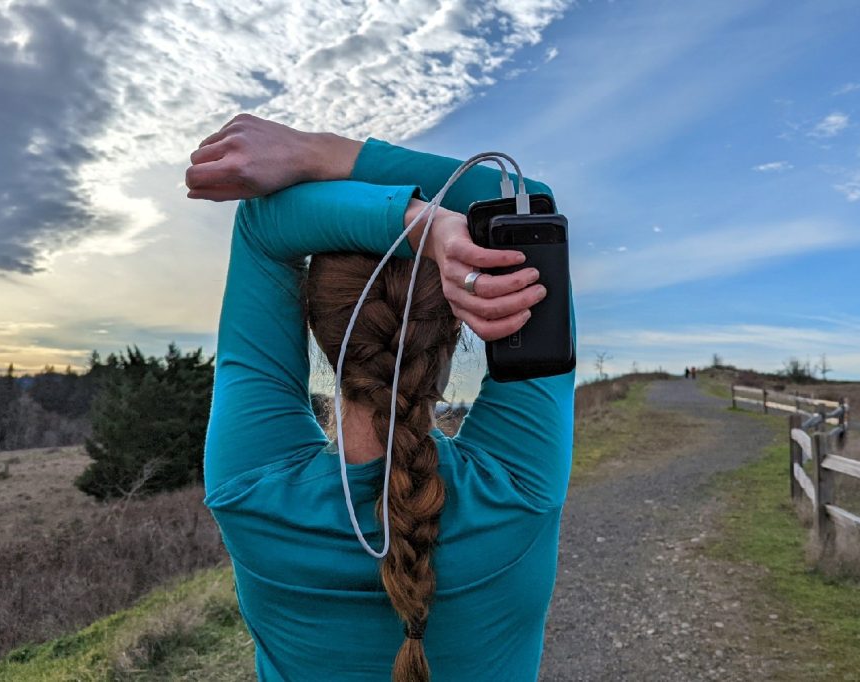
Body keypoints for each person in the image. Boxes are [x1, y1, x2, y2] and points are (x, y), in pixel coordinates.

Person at [187, 115, 576, 681]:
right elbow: (527, 203)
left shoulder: (249, 488)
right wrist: (323, 154)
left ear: (317, 332)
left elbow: (261, 227)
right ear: (452, 336)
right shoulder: (520, 486)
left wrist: (421, 227)